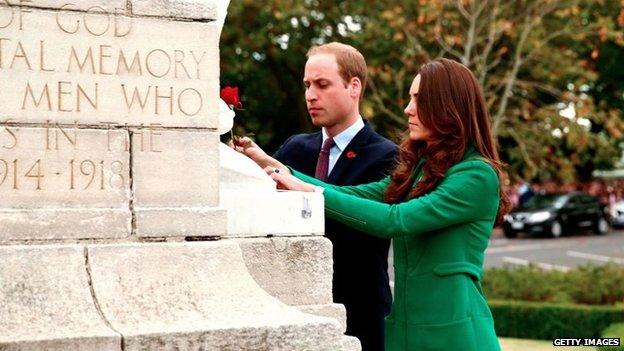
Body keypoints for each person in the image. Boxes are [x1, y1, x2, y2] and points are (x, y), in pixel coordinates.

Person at [234, 57, 511, 351]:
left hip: (457, 336)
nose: (408, 109)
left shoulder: (476, 175)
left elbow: (395, 220)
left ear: (447, 106)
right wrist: (280, 169)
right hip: (405, 332)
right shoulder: (421, 169)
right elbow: (358, 195)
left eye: (418, 99)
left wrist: (308, 192)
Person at [269, 42, 397, 351]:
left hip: (361, 317)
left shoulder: (387, 157)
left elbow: (357, 227)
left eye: (322, 84)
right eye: (307, 85)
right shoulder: (293, 150)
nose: (311, 95)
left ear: (354, 86)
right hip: (294, 310)